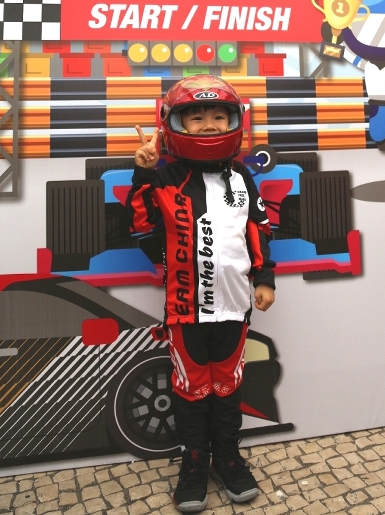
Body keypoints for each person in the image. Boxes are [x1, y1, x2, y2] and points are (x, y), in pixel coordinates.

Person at [128, 75, 275, 513]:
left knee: (228, 388)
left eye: (218, 116)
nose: (209, 125)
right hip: (185, 311)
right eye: (196, 117)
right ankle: (193, 464)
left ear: (234, 122)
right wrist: (143, 172)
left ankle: (227, 458)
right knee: (191, 390)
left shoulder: (242, 177)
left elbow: (259, 230)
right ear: (175, 124)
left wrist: (265, 278)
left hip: (235, 307)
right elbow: (140, 227)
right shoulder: (164, 178)